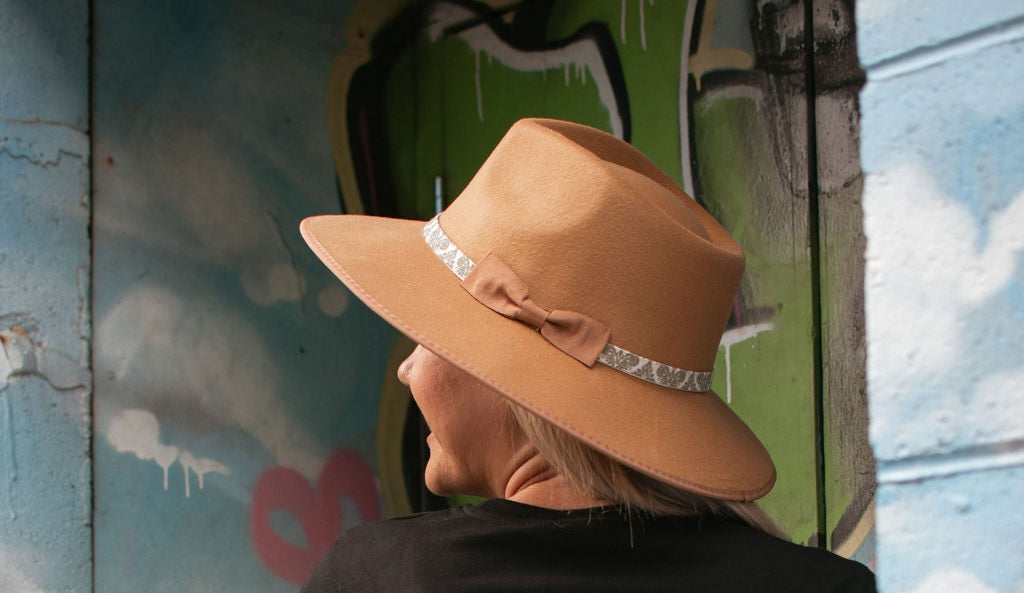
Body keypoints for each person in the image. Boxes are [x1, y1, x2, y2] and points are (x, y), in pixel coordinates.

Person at [298, 118, 876, 592]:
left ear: (503, 374)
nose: (407, 369)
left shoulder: (377, 580)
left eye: (429, 335)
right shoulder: (827, 588)